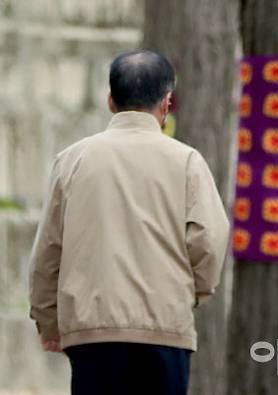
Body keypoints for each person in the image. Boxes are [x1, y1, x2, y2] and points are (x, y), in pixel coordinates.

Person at [28, 49, 230, 395]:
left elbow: (48, 250)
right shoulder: (186, 162)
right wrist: (191, 293)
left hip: (92, 333)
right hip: (165, 330)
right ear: (167, 103)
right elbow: (208, 242)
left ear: (110, 100)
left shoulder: (72, 160)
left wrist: (49, 321)